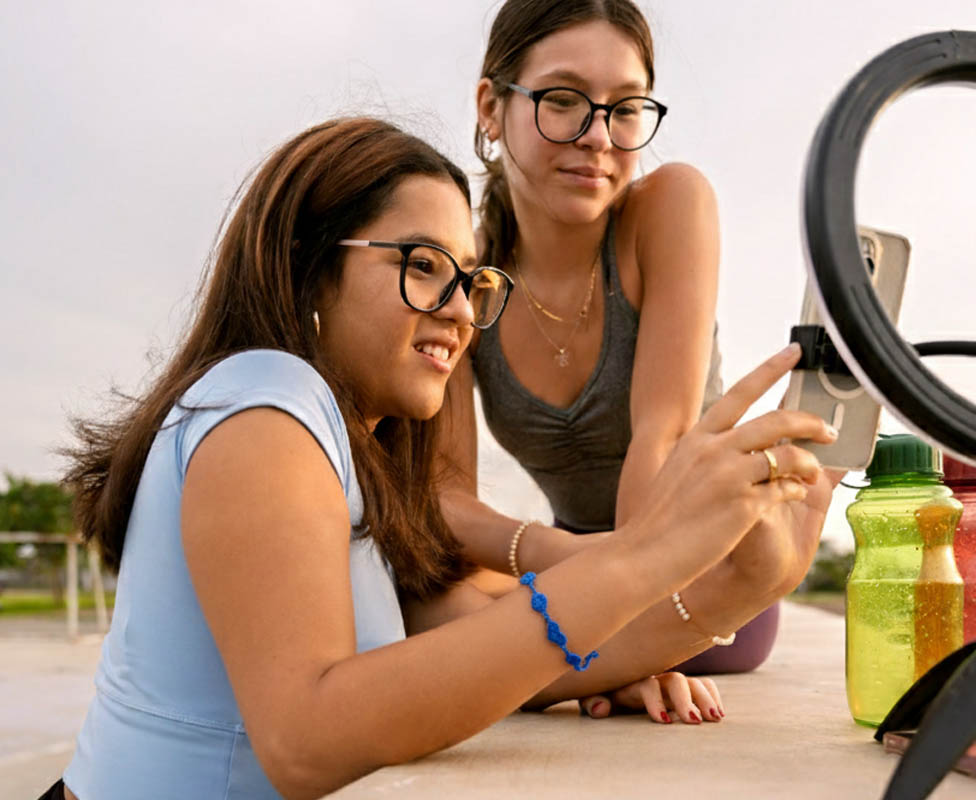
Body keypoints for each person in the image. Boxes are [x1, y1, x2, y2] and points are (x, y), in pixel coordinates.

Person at [43, 117, 835, 800]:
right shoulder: (265, 407)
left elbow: (470, 648)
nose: (460, 311)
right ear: (307, 264)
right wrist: (643, 557)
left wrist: (741, 584)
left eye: (469, 279)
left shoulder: (349, 451)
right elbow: (305, 738)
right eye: (422, 266)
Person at [436, 0, 777, 703]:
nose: (598, 137)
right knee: (432, 613)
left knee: (473, 640)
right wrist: (560, 567)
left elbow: (663, 436)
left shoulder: (668, 206)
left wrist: (620, 635)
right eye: (563, 101)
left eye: (624, 109)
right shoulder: (467, 272)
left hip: (699, 576)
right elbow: (445, 499)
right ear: (491, 108)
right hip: (570, 576)